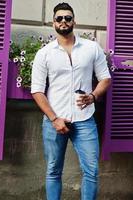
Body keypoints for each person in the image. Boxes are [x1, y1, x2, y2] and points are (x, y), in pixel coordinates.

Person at [31, 2, 111, 200]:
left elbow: (105, 78)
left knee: (91, 171)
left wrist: (93, 96)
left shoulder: (91, 48)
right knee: (53, 171)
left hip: (85, 119)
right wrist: (54, 119)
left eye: (68, 18)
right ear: (54, 23)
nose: (64, 21)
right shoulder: (44, 53)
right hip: (54, 120)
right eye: (59, 18)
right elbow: (37, 91)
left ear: (74, 21)